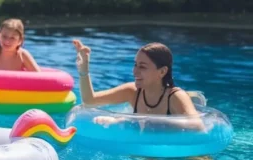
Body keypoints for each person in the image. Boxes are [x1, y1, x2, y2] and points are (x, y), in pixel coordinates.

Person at [73, 40, 203, 130]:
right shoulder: (133, 91)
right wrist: (84, 71)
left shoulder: (175, 97)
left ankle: (194, 99)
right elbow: (90, 101)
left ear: (162, 71)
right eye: (135, 64)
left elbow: (198, 127)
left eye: (142, 66)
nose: (134, 71)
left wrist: (131, 120)